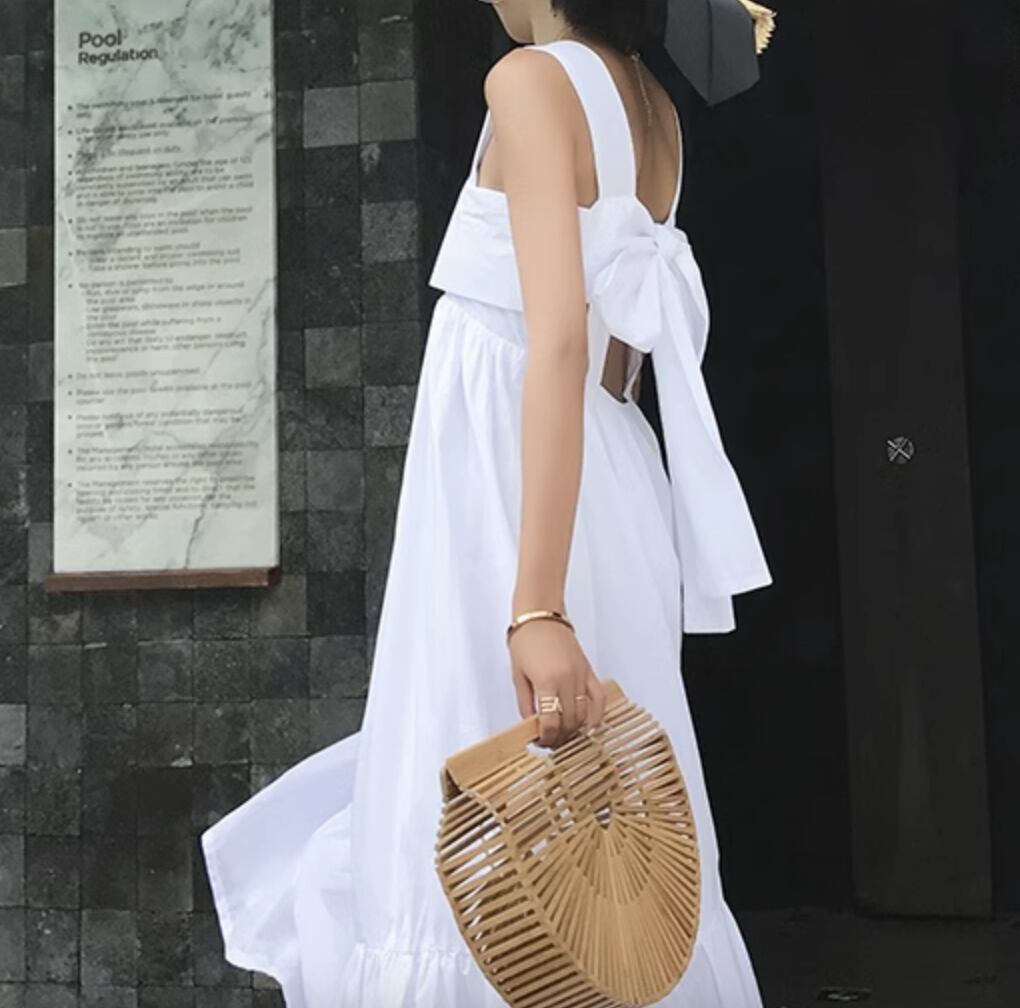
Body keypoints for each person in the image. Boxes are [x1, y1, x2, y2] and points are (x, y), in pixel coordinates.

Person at [200, 1, 774, 1005]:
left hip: (511, 502)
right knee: (598, 834)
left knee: (478, 822)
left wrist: (537, 604)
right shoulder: (653, 107)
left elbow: (558, 338)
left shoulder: (531, 81)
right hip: (604, 483)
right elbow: (613, 361)